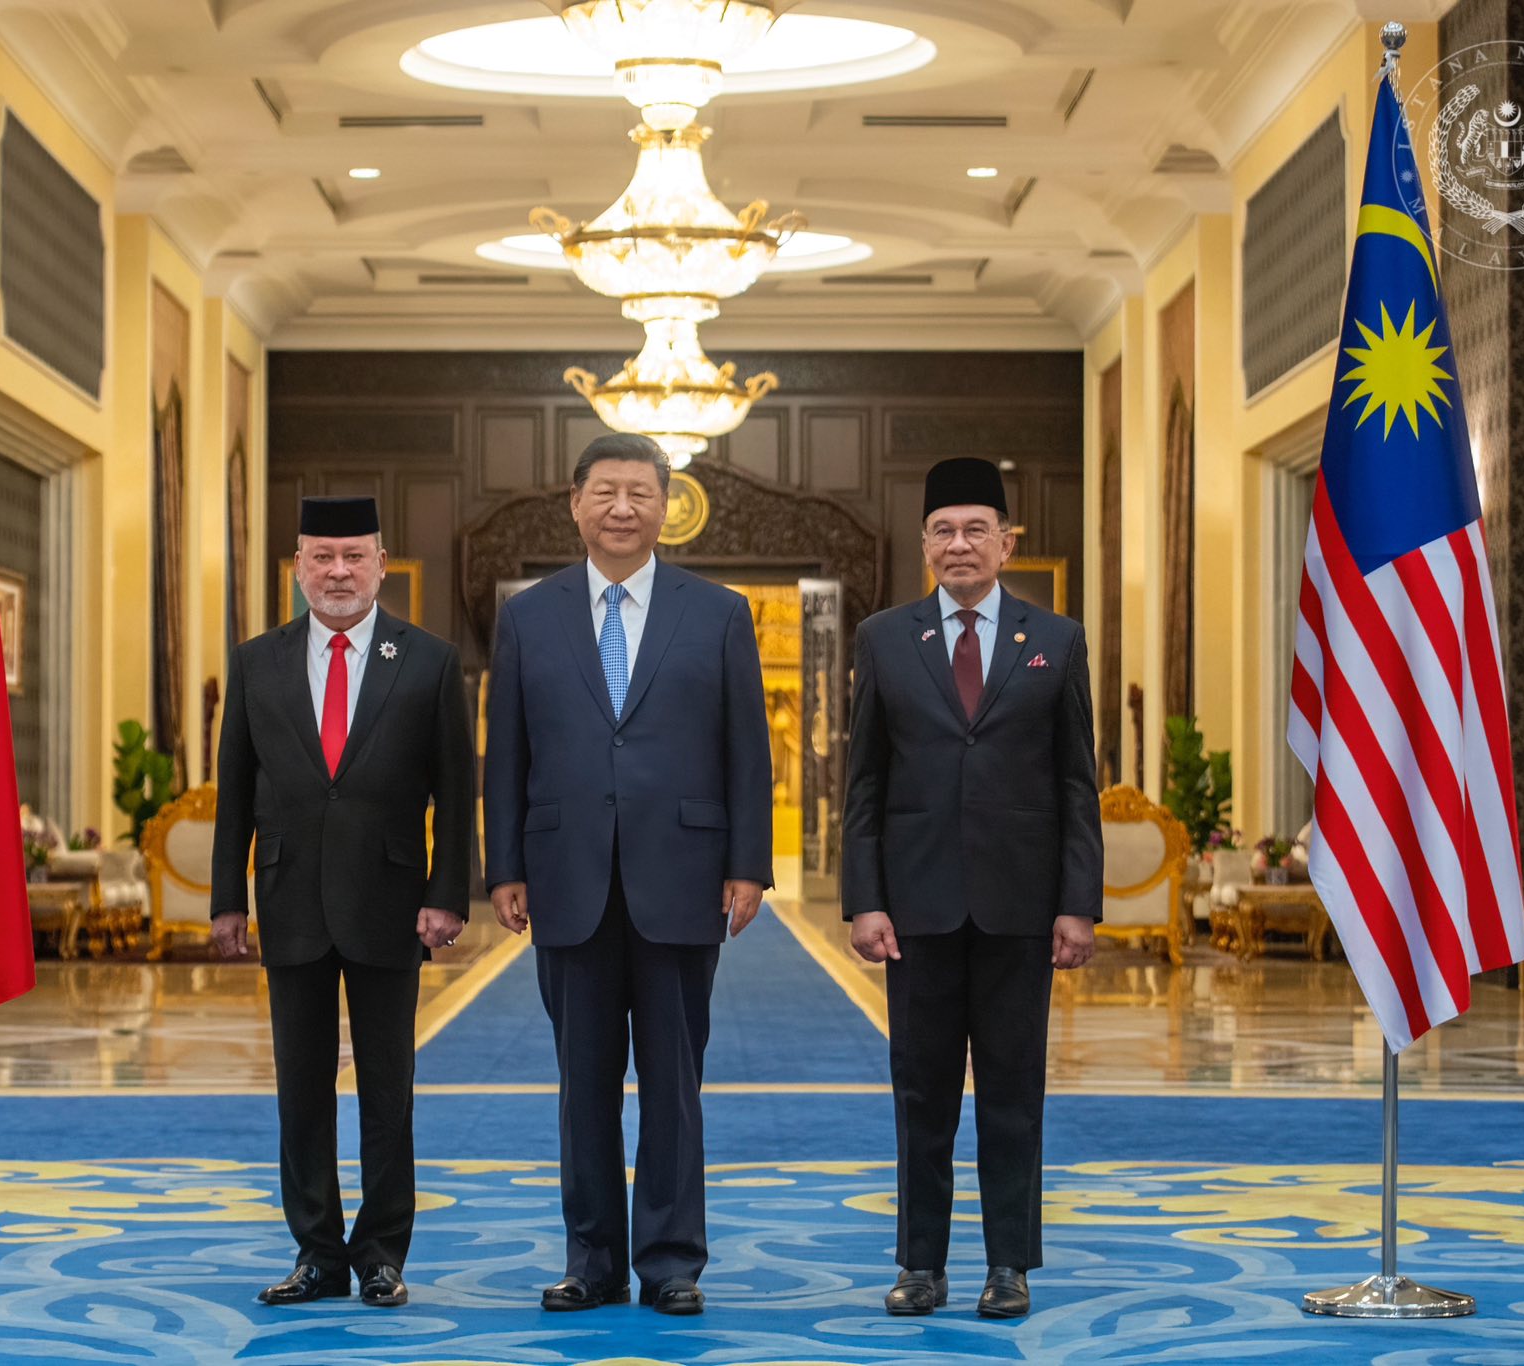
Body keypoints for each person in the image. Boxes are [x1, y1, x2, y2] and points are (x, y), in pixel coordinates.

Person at [483, 433, 772, 1317]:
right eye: (604, 491)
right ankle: (593, 1260)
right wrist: (504, 866)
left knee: (674, 1088)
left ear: (666, 507)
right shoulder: (528, 616)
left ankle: (673, 1262)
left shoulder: (718, 612)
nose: (621, 508)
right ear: (574, 503)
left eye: (640, 493)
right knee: (584, 1087)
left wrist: (748, 866)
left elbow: (746, 753)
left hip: (683, 879)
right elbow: (508, 755)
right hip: (567, 879)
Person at [841, 456, 1101, 1320]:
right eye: (944, 532)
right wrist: (864, 899)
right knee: (920, 1093)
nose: (959, 546)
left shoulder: (1056, 641)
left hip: (1022, 910)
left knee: (1014, 1090)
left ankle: (1009, 1265)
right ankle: (921, 1265)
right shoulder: (883, 637)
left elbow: (1075, 784)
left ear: (1007, 542)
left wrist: (1078, 902)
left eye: (976, 530)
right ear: (925, 545)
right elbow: (865, 783)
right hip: (915, 911)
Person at [209, 495, 474, 1309]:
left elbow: (458, 792)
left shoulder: (427, 661)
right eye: (321, 557)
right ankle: (317, 1252)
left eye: (354, 556)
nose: (338, 572)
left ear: (380, 565)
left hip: (394, 902)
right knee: (301, 1084)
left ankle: (383, 1251)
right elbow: (236, 792)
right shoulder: (259, 662)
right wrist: (228, 898)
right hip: (290, 898)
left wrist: (447, 894)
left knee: (388, 1087)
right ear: (297, 568)